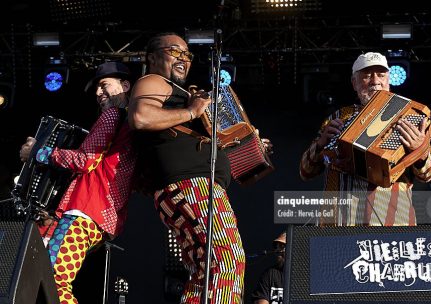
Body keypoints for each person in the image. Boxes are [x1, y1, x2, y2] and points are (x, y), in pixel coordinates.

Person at [128, 32, 272, 303]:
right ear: (152, 57)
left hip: (197, 187)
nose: (183, 59)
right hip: (190, 185)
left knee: (210, 268)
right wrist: (193, 112)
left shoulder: (182, 93)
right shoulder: (152, 80)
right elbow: (140, 117)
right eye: (175, 51)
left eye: (187, 55)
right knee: (225, 261)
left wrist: (250, 148)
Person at [19, 61, 137, 303]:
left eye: (104, 85)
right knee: (42, 278)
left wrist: (38, 152)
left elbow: (85, 160)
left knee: (53, 279)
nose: (98, 93)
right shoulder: (136, 126)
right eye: (96, 88)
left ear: (125, 85)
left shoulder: (113, 114)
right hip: (102, 217)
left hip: (84, 209)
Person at [299, 52, 431, 226]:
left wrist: (420, 152)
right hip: (340, 223)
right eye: (366, 76)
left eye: (381, 75)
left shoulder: (410, 116)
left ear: (388, 79)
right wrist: (320, 146)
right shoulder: (337, 117)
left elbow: (428, 175)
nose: (375, 81)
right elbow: (305, 171)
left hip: (392, 222)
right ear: (354, 83)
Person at [251, 232, 286, 304]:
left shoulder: (305, 277)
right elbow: (260, 300)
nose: (278, 250)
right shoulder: (269, 274)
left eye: (282, 246)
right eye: (277, 247)